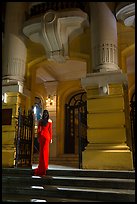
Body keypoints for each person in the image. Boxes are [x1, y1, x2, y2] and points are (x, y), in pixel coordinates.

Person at [33, 110, 52, 176]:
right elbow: (50, 130)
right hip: (47, 137)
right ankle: (45, 166)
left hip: (42, 136)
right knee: (46, 152)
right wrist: (51, 138)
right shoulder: (50, 121)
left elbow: (38, 130)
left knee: (42, 152)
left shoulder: (40, 121)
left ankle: (42, 167)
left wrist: (38, 137)